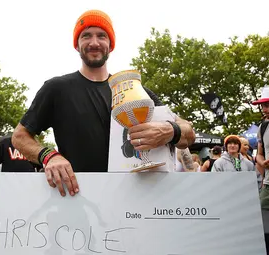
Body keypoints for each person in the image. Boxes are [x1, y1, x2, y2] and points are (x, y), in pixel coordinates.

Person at [12, 9, 195, 197]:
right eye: (86, 36)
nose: (94, 42)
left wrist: (170, 131)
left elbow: (188, 134)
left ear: (110, 44)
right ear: (77, 44)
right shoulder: (56, 89)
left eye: (101, 36)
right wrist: (49, 156)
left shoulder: (135, 91)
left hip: (137, 200)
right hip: (78, 199)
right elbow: (19, 137)